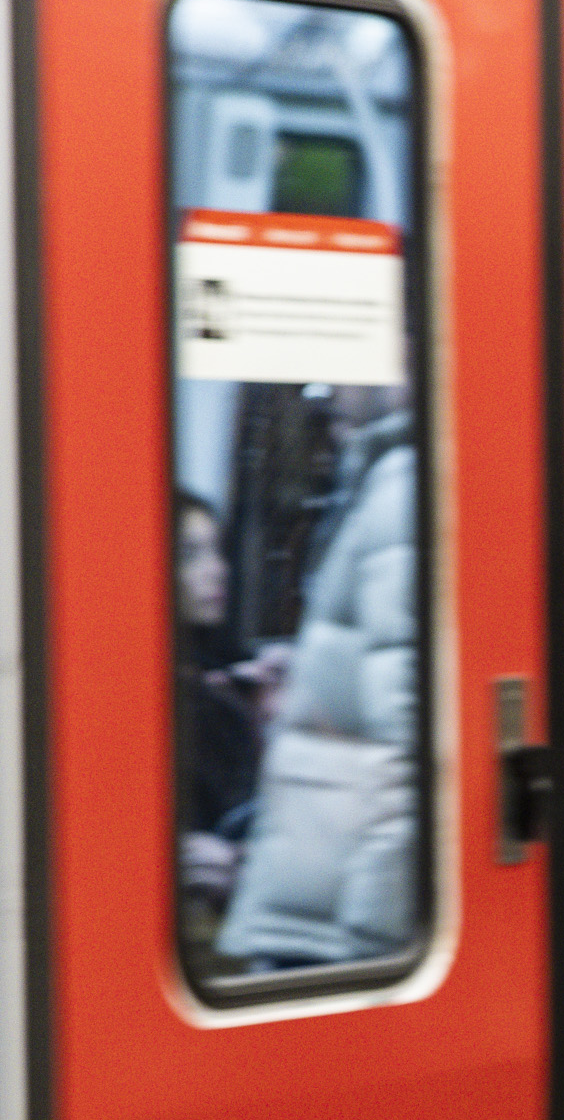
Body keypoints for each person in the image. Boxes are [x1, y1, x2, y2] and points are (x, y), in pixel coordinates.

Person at [217, 408, 421, 970]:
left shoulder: (404, 483)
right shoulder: (388, 475)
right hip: (327, 882)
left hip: (340, 905)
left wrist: (374, 924)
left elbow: (414, 731)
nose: (329, 394)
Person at [174, 491, 260, 950]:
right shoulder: (175, 704)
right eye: (191, 555)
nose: (218, 570)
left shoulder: (226, 682)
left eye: (216, 550)